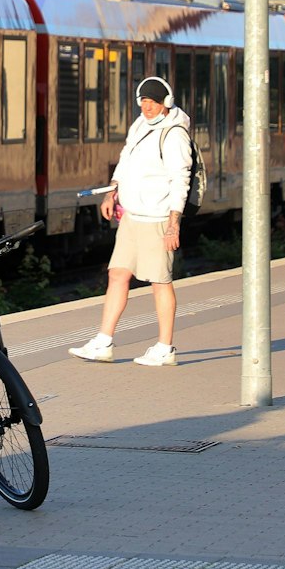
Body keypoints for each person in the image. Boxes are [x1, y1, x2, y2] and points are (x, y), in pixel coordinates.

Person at [70, 76, 193, 366]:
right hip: (132, 217)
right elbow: (125, 161)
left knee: (160, 281)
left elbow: (181, 180)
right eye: (144, 101)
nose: (148, 106)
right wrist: (112, 192)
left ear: (167, 102)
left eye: (153, 101)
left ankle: (165, 348)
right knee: (117, 275)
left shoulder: (174, 134)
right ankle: (104, 341)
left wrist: (174, 223)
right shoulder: (139, 125)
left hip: (158, 218)